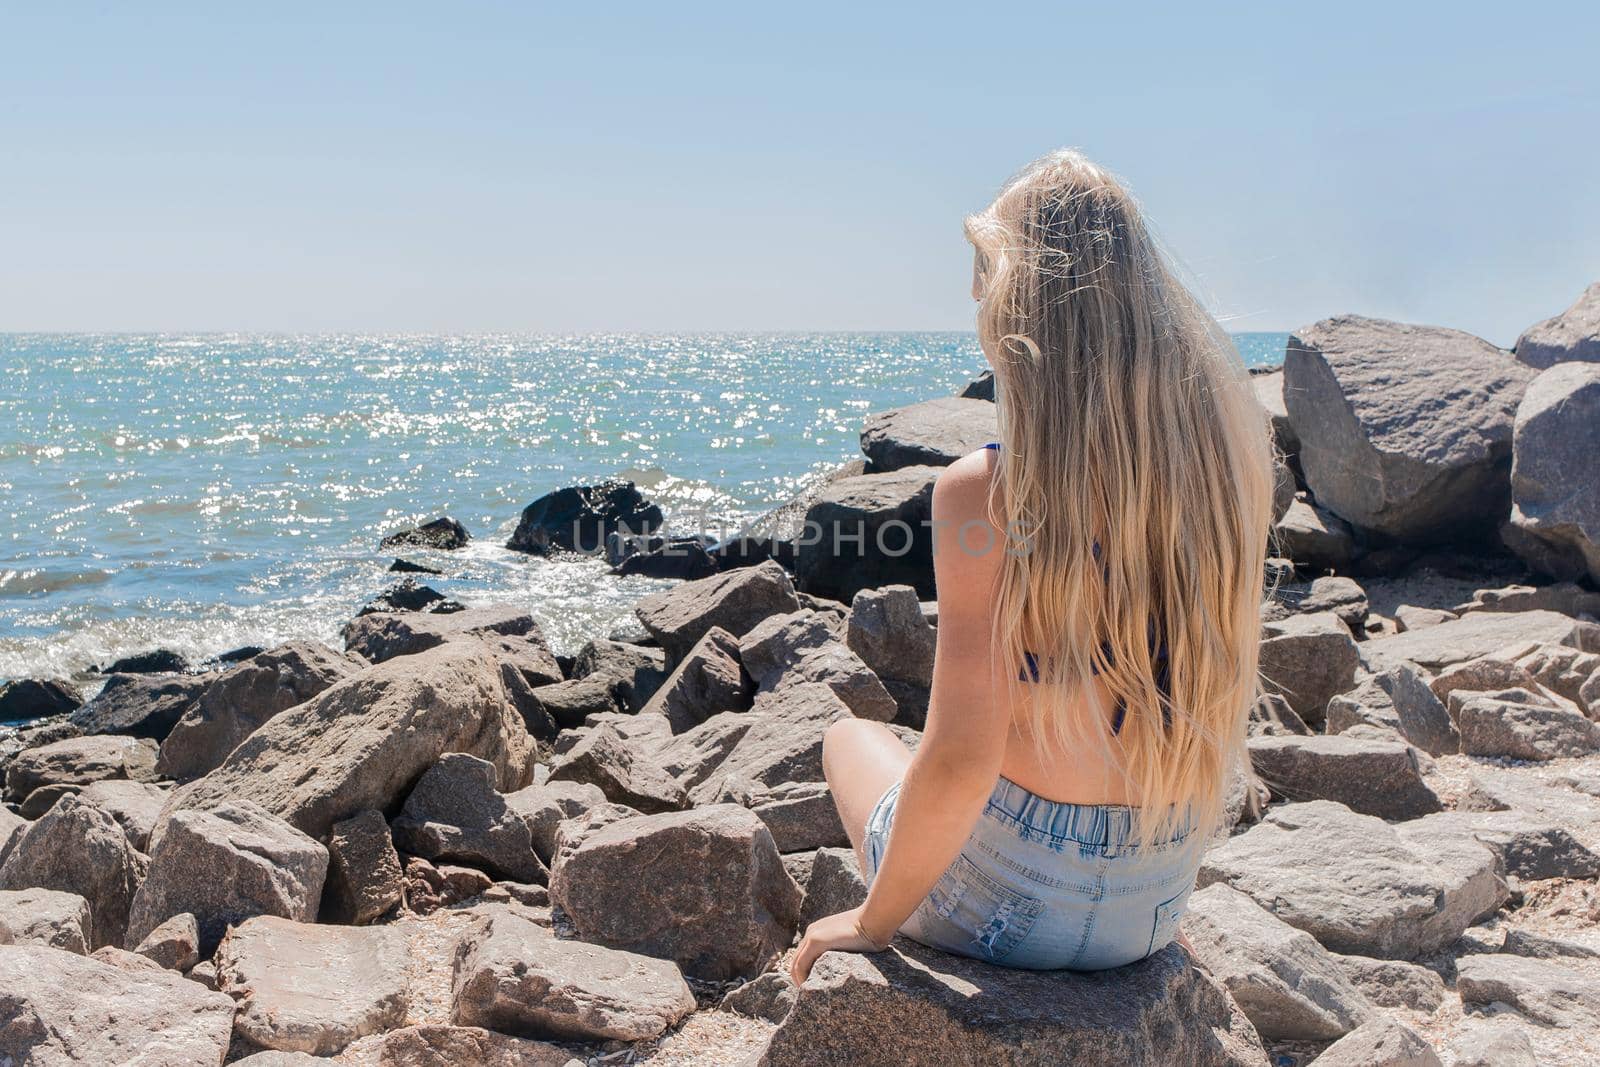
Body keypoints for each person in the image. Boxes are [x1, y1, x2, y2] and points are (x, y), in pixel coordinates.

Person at [790, 150, 1274, 983]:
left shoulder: (986, 493)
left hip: (1009, 905)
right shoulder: (1221, 474)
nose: (975, 300)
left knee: (851, 736)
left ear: (1017, 306)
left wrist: (871, 922)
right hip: (1153, 898)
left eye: (984, 277)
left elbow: (962, 755)